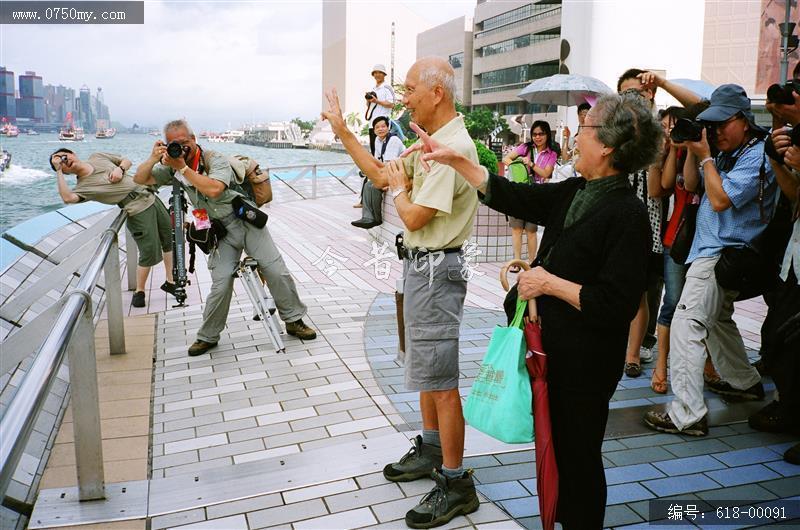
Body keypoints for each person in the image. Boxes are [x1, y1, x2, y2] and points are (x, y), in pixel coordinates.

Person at [405, 92, 661, 529]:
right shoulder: (581, 189)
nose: (576, 136)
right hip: (554, 355)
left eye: (585, 128)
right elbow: (515, 196)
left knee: (578, 460)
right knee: (557, 454)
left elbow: (615, 305)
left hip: (586, 364)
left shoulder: (627, 213)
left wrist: (547, 282)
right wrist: (455, 161)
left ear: (608, 146)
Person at [322, 57, 481, 529]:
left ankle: (456, 483)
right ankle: (432, 449)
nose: (403, 96)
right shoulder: (430, 144)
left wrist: (397, 189)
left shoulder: (453, 148)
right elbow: (378, 172)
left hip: (436, 271)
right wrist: (342, 130)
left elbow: (413, 216)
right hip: (420, 269)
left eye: (410, 88)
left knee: (443, 380)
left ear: (437, 93)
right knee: (427, 370)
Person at [644, 84, 778, 436]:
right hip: (708, 251)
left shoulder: (756, 154)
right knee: (718, 319)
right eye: (711, 125)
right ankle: (745, 381)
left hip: (723, 253)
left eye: (722, 124)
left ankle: (687, 414)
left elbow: (719, 200)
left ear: (743, 120)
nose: (716, 131)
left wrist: (705, 155)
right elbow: (690, 183)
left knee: (687, 326)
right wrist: (692, 149)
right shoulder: (720, 149)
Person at [134, 119, 317, 356]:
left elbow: (214, 189)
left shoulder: (214, 159)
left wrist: (182, 168)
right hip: (220, 231)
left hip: (245, 221)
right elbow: (140, 179)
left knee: (274, 269)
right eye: (174, 144)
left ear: (194, 139)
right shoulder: (171, 165)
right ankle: (207, 336)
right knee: (221, 284)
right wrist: (153, 158)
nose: (182, 147)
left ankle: (294, 320)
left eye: (185, 142)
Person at [50, 148, 175, 308]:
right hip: (136, 209)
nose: (65, 162)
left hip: (149, 196)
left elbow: (126, 160)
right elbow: (68, 198)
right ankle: (140, 291)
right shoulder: (83, 187)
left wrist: (120, 169)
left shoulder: (97, 156)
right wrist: (58, 170)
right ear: (65, 172)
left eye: (65, 157)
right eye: (62, 164)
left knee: (168, 240)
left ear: (73, 153)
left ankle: (170, 281)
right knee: (148, 251)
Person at [749, 92, 800, 465]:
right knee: (779, 338)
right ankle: (790, 409)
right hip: (794, 260)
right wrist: (775, 158)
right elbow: (795, 193)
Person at [501, 121, 557, 269]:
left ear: (547, 135)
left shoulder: (552, 154)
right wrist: (519, 165)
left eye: (541, 134)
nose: (537, 137)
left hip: (537, 195)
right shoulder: (525, 147)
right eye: (534, 134)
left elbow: (546, 173)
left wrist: (531, 164)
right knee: (517, 229)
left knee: (531, 230)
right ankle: (517, 263)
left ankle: (532, 263)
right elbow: (506, 159)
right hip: (519, 191)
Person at [352, 116, 405, 229]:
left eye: (383, 126)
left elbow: (389, 163)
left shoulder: (393, 140)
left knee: (374, 185)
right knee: (368, 185)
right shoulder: (378, 140)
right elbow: (377, 161)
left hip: (398, 171)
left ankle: (376, 218)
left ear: (388, 127)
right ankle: (367, 217)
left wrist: (385, 182)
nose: (380, 129)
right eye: (377, 127)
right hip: (388, 170)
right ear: (374, 130)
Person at [365, 63, 396, 156]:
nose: (377, 75)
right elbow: (369, 106)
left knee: (384, 151)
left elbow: (392, 104)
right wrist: (369, 100)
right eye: (375, 73)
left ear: (384, 74)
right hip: (372, 125)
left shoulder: (387, 87)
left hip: (383, 125)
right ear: (373, 75)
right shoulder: (373, 88)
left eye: (380, 72)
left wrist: (377, 101)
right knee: (374, 151)